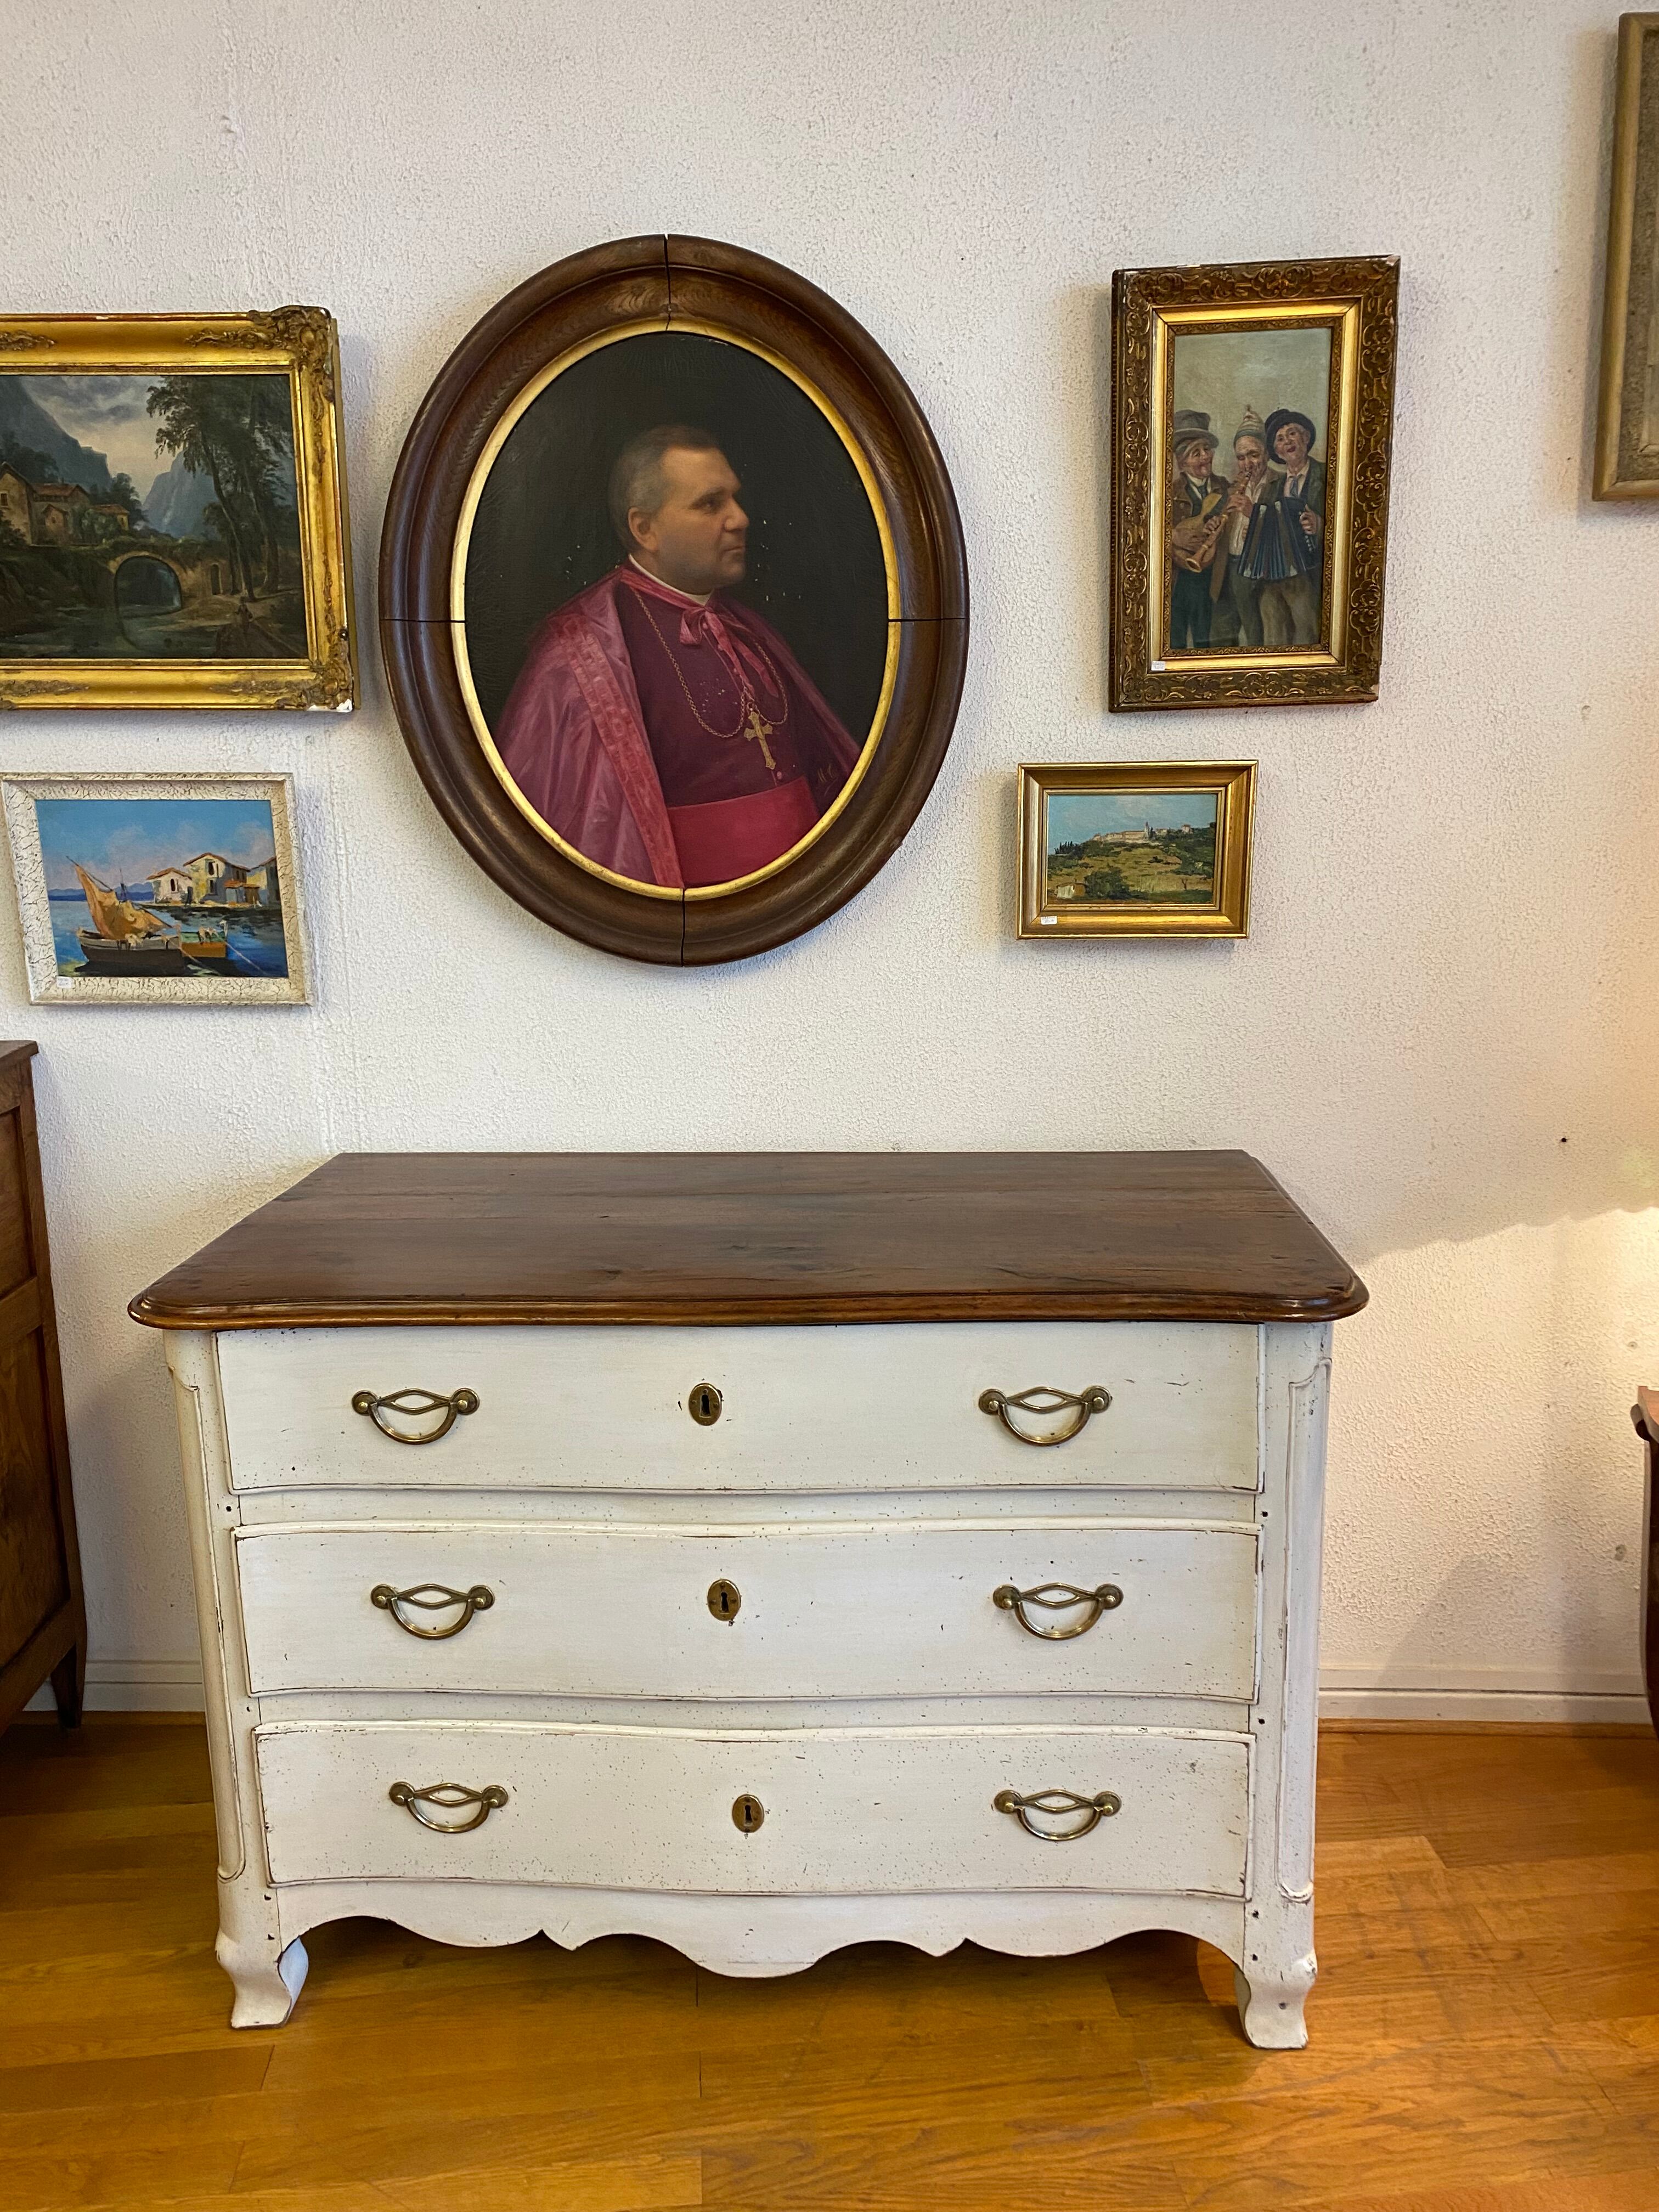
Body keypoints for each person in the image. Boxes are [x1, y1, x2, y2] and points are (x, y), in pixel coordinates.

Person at [494, 425, 860, 889]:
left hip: (803, 897)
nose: (740, 518)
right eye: (710, 504)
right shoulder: (579, 654)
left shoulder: (750, 629)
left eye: (734, 498)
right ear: (645, 529)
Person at [1234, 407, 1326, 647]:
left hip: (1308, 575)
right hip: (1273, 575)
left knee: (1307, 632)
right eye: (1280, 439)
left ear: (1306, 437)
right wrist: (1252, 531)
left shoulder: (1327, 476)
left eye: (1293, 433)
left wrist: (1319, 524)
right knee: (1273, 633)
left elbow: (1348, 524)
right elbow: (1264, 524)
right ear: (1276, 451)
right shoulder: (1273, 487)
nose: (1288, 442)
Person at [1165, 411, 1235, 650]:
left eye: (1207, 450)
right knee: (1174, 642)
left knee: (1208, 643)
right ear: (1182, 463)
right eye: (1197, 453)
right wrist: (1173, 536)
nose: (1206, 457)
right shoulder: (1168, 492)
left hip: (1214, 582)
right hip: (1177, 583)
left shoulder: (1225, 488)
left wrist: (1219, 529)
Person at [1219, 409, 1274, 648]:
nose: (1247, 464)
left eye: (1253, 455)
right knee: (1223, 631)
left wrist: (1254, 514)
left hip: (1258, 570)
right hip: (1228, 566)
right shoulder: (1232, 487)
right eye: (1241, 458)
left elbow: (1283, 527)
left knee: (1255, 631)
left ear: (1267, 454)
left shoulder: (1280, 483)